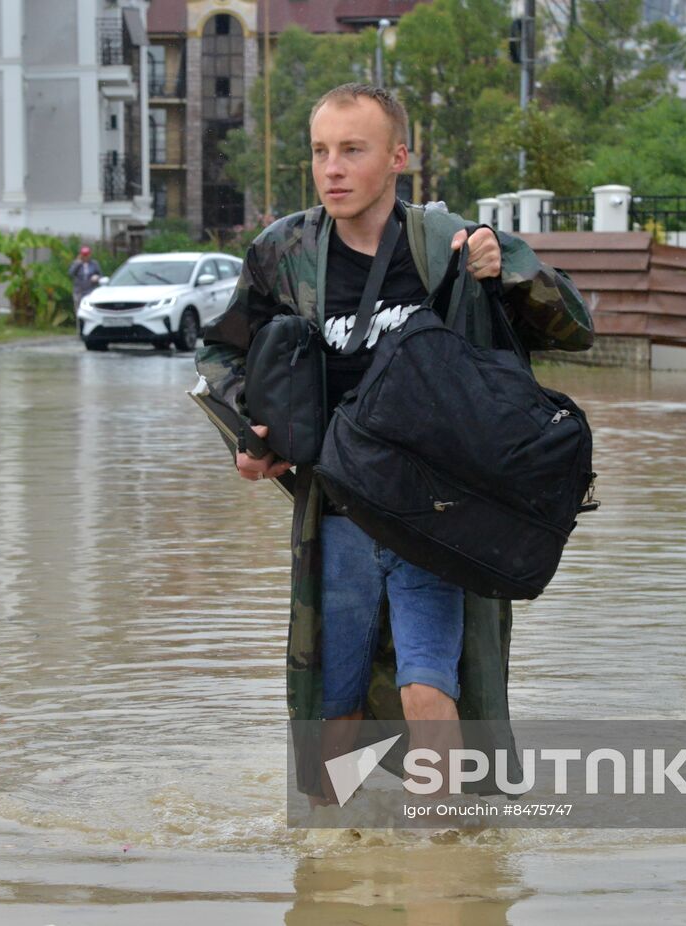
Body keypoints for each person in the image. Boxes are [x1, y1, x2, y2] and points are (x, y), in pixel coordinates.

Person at [194, 83, 595, 805]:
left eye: (353, 150)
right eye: (320, 152)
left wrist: (512, 274)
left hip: (435, 514)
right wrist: (244, 433)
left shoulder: (453, 246)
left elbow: (575, 327)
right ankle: (333, 869)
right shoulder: (283, 251)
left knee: (433, 691)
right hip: (336, 513)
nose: (333, 168)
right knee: (330, 708)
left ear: (399, 157)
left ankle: (444, 861)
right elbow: (222, 355)